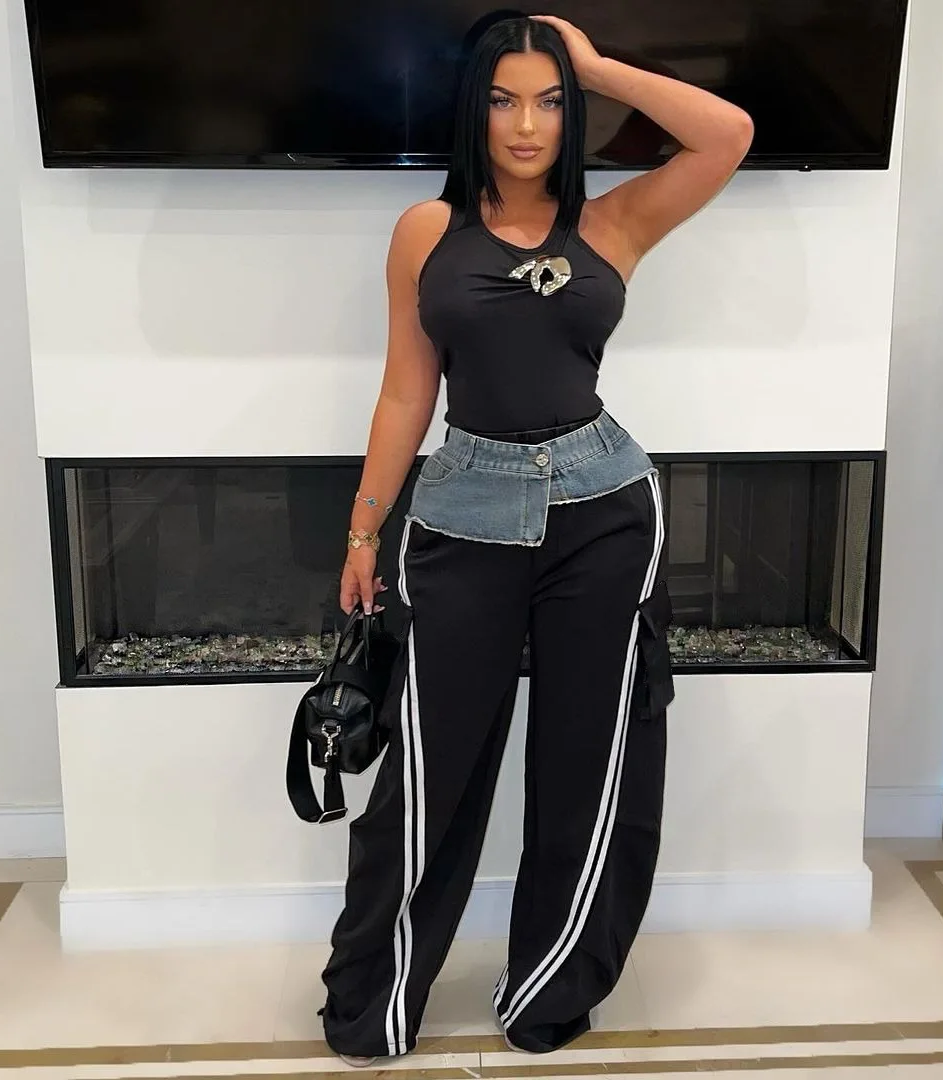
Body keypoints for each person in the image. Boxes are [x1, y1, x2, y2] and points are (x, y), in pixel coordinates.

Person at [320, 13, 752, 1068]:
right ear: (475, 108)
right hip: (463, 511)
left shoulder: (613, 222)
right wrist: (365, 527)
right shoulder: (427, 230)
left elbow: (728, 133)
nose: (527, 124)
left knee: (589, 761)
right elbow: (405, 389)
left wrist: (593, 64)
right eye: (505, 99)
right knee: (429, 771)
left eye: (551, 101)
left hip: (603, 512)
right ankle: (374, 1002)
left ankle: (552, 987)